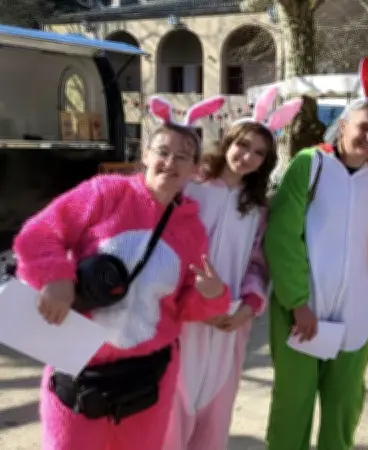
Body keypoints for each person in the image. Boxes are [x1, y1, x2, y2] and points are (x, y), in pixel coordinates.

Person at [12, 95, 230, 450]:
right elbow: (39, 234)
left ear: (195, 170)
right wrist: (56, 277)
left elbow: (184, 307)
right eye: (162, 151)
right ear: (144, 155)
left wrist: (213, 295)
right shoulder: (105, 193)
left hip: (146, 381)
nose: (169, 162)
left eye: (182, 156)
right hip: (79, 370)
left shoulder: (190, 231)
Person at [264, 57, 368, 450]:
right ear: (343, 126)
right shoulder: (310, 165)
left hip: (356, 314)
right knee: (293, 407)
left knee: (344, 407)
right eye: (364, 128)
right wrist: (297, 302)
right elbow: (281, 236)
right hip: (302, 308)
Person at [164, 88, 301, 450]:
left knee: (215, 411)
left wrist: (249, 308)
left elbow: (258, 264)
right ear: (227, 142)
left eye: (259, 153)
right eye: (243, 146)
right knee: (171, 409)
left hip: (228, 322)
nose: (248, 156)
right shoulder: (190, 188)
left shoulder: (256, 208)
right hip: (183, 318)